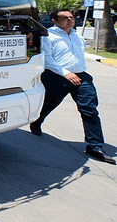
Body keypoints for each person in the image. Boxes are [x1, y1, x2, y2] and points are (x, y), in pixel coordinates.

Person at [29, 9, 115, 164]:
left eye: (71, 17)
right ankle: (36, 121)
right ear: (54, 20)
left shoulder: (77, 36)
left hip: (81, 77)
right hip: (57, 77)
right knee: (48, 103)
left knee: (89, 109)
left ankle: (94, 146)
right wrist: (66, 73)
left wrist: (77, 71)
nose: (70, 20)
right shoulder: (49, 36)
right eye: (65, 18)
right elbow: (47, 59)